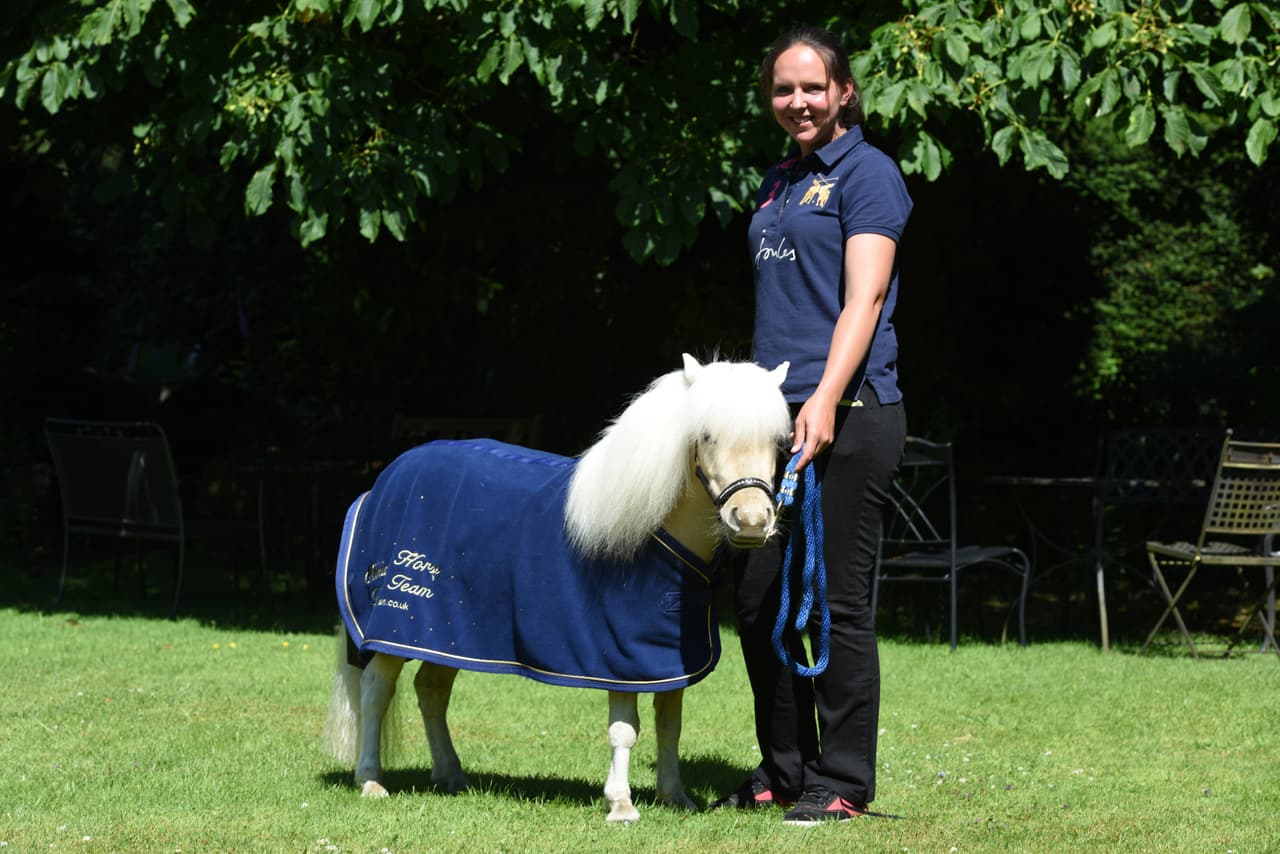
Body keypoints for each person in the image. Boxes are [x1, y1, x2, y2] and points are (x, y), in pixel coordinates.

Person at [710, 25, 912, 824]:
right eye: (783, 89)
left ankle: (845, 781)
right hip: (770, 420)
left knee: (835, 603)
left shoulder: (870, 174)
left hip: (852, 415)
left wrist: (824, 398)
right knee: (758, 600)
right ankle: (784, 771)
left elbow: (862, 299)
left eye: (812, 88)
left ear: (844, 93)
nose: (798, 101)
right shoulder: (776, 181)